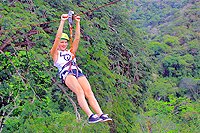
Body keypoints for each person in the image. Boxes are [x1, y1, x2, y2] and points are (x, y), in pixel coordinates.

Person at [50, 14, 112, 123]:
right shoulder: (55, 53)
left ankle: (100, 114)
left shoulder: (71, 52)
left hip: (77, 71)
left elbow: (77, 38)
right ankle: (90, 115)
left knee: (89, 92)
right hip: (67, 73)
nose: (63, 44)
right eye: (62, 42)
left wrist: (78, 23)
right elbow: (57, 37)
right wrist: (62, 21)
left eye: (65, 42)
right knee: (79, 91)